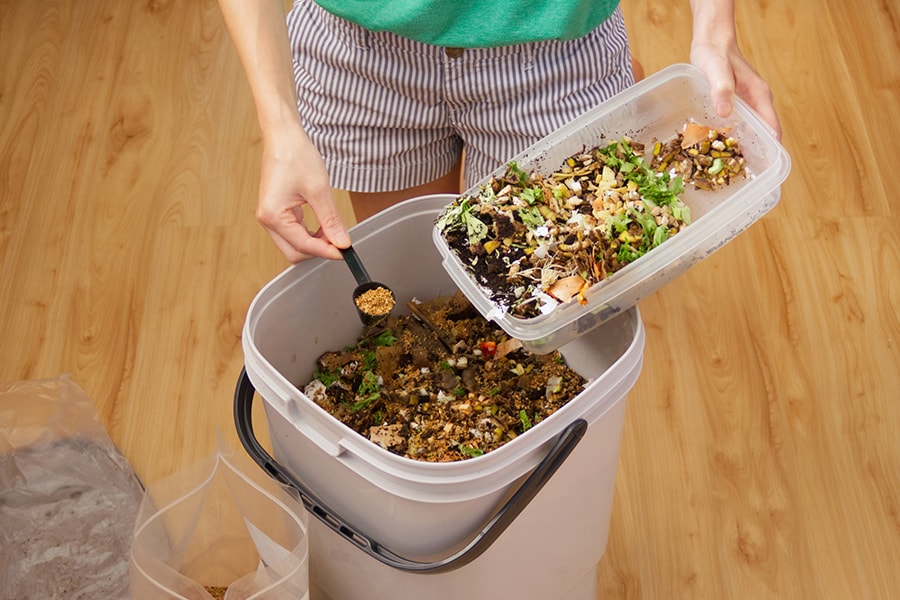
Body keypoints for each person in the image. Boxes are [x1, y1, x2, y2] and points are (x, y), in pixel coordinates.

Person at [217, 0, 781, 263]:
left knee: (545, 270)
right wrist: (278, 121)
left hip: (556, 54)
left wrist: (715, 27)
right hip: (360, 54)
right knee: (426, 263)